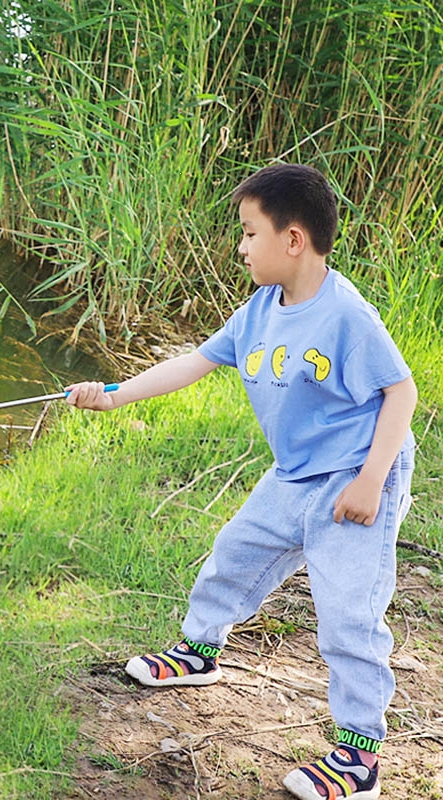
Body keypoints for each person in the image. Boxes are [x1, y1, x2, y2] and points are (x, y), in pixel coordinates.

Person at [65, 163, 417, 800]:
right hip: (293, 475)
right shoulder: (258, 310)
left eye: (249, 232)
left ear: (292, 240)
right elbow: (192, 362)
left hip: (355, 480)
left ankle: (358, 755)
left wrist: (370, 480)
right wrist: (114, 396)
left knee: (346, 613)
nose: (240, 246)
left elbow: (402, 391)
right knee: (235, 553)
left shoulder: (346, 316)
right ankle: (199, 652)